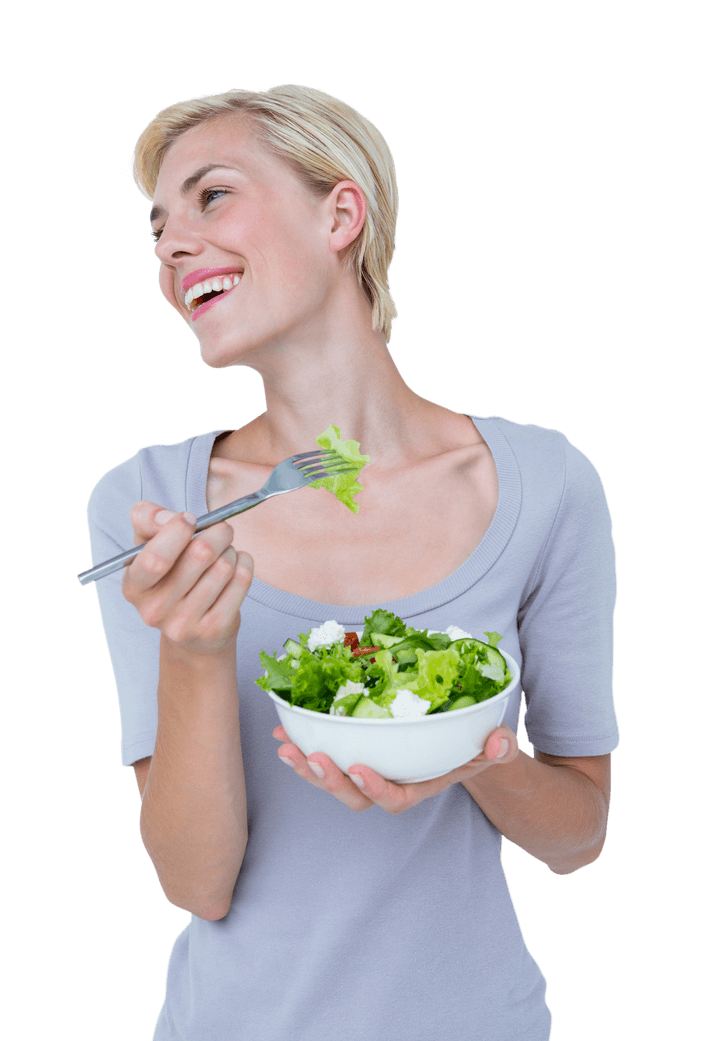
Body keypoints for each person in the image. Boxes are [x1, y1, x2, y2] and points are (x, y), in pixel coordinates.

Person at [86, 84, 619, 1041]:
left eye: (211, 197)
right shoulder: (153, 503)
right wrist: (196, 652)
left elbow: (579, 838)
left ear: (341, 212)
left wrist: (473, 750)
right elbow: (195, 883)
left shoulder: (548, 484)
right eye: (156, 226)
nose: (169, 245)